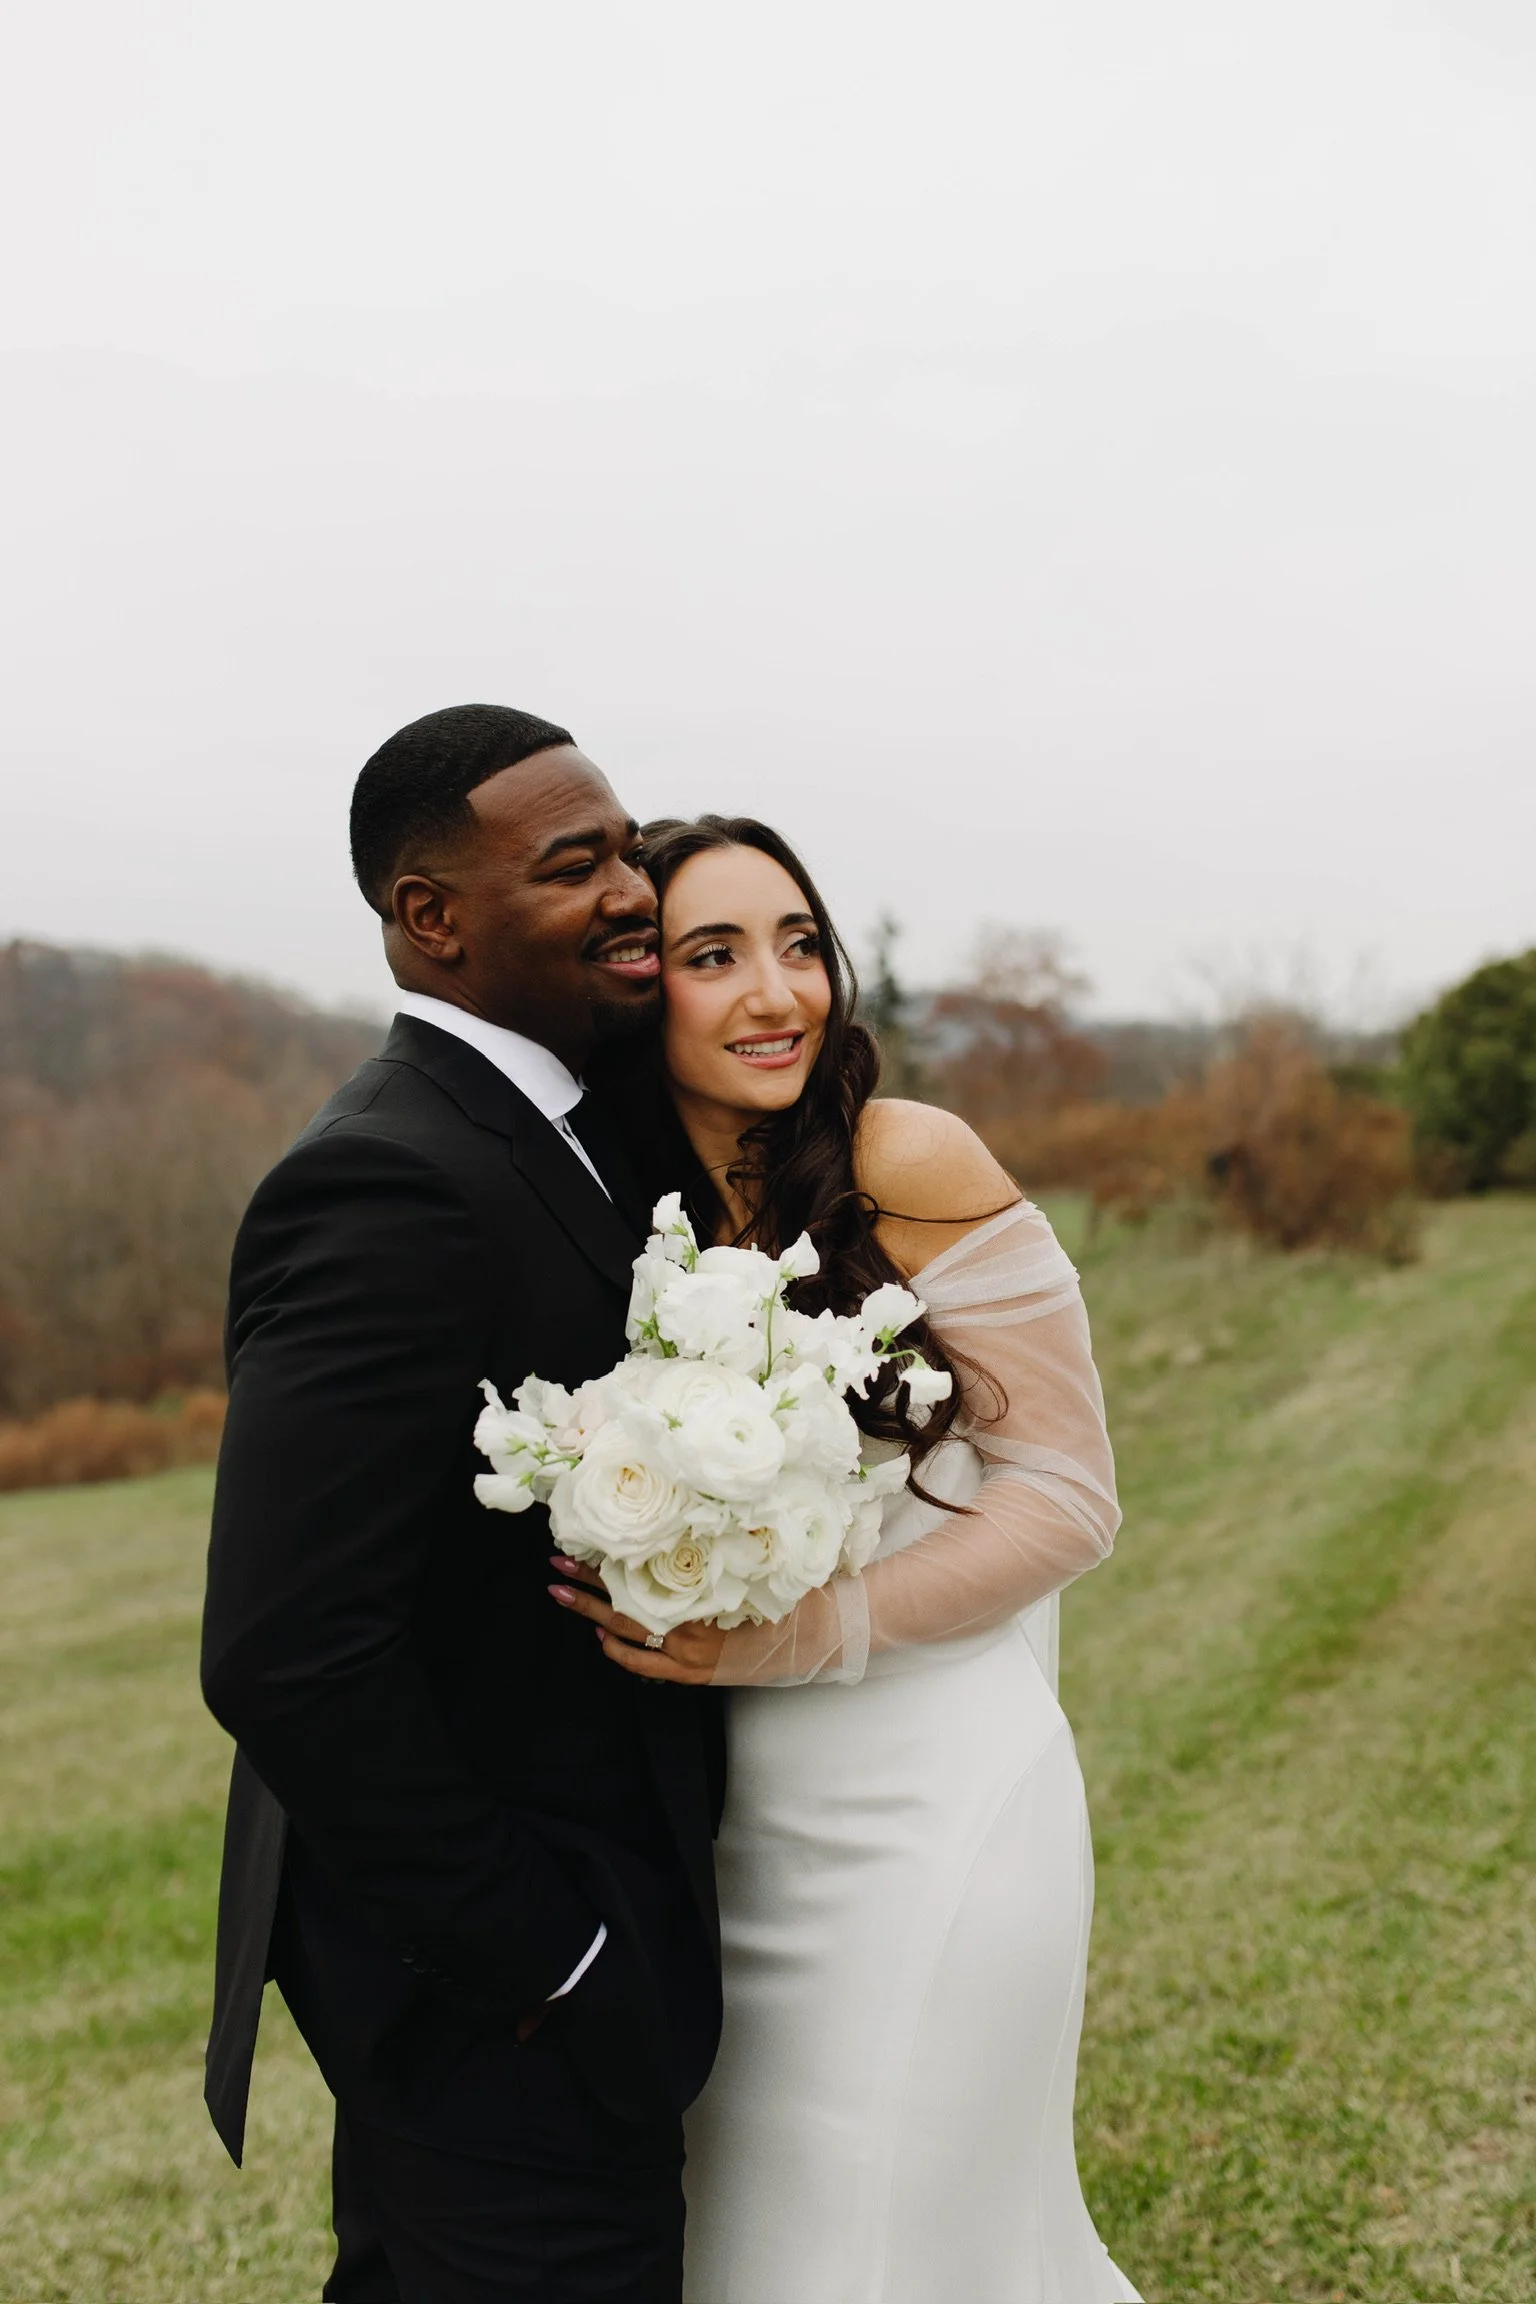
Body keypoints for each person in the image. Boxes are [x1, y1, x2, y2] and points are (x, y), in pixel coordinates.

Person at [553, 815, 1141, 2304]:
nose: (778, 992)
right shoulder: (611, 1204)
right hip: (733, 1844)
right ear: (641, 987)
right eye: (715, 954)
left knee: (888, 2255)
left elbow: (1069, 1499)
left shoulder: (905, 1155)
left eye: (800, 942)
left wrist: (800, 1637)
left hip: (934, 1806)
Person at [200, 706, 725, 2304]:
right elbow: (287, 1650)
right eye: (577, 867)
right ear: (432, 920)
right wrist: (547, 1956)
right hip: (492, 1996)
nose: (634, 890)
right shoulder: (391, 1179)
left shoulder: (575, 1132)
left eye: (629, 850)